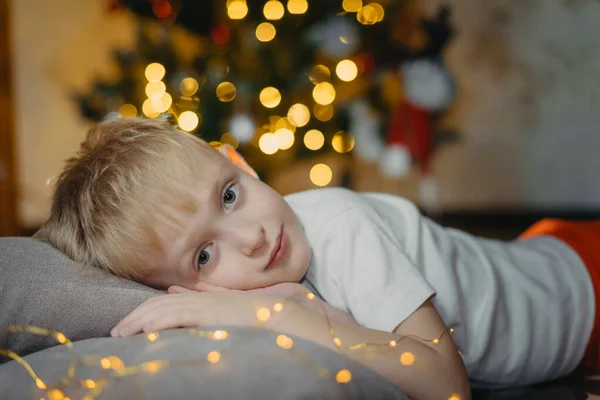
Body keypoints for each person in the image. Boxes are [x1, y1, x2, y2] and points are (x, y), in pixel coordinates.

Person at [34, 118, 598, 397]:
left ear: (241, 163)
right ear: (172, 290)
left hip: (581, 293)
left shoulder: (340, 227)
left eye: (229, 195)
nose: (251, 238)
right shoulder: (262, 264)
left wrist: (278, 317)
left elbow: (444, 384)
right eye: (203, 256)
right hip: (535, 259)